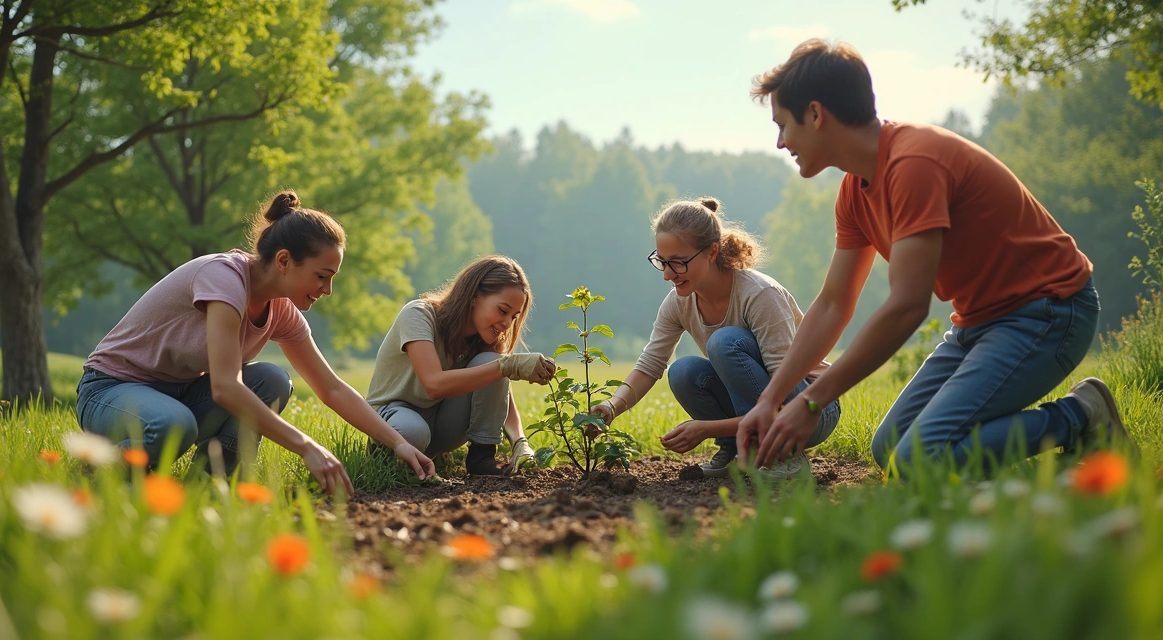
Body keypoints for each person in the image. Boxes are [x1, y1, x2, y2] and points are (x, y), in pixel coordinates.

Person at [738, 39, 1136, 476]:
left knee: (920, 459)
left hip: (1049, 313)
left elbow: (908, 306)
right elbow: (834, 304)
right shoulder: (855, 191)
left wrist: (815, 400)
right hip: (979, 324)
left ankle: (1082, 416)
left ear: (816, 114)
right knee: (889, 448)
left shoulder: (914, 164)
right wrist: (771, 398)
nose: (779, 143)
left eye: (782, 125)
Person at [76, 191, 434, 495]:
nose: (327, 290)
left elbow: (333, 388)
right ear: (283, 261)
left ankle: (209, 489)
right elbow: (225, 389)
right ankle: (100, 473)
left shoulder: (281, 311)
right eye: (322, 276)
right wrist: (306, 447)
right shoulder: (223, 278)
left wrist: (398, 441)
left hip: (177, 394)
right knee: (173, 424)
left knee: (272, 380)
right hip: (111, 390)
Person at [589, 197, 839, 478]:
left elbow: (783, 395)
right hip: (769, 404)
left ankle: (779, 452)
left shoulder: (759, 295)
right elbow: (650, 364)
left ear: (711, 252)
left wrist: (706, 428)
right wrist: (611, 407)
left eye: (679, 263)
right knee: (683, 371)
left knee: (724, 341)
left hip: (811, 407)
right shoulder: (678, 302)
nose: (668, 275)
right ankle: (736, 449)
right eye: (662, 262)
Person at [366, 255, 555, 476]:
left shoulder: (484, 340)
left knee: (492, 363)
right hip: (397, 418)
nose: (506, 324)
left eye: (513, 317)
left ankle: (481, 457)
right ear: (474, 297)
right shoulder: (419, 315)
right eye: (502, 310)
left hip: (439, 424)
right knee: (413, 431)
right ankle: (384, 458)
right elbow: (433, 384)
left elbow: (500, 390)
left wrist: (519, 441)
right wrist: (509, 365)